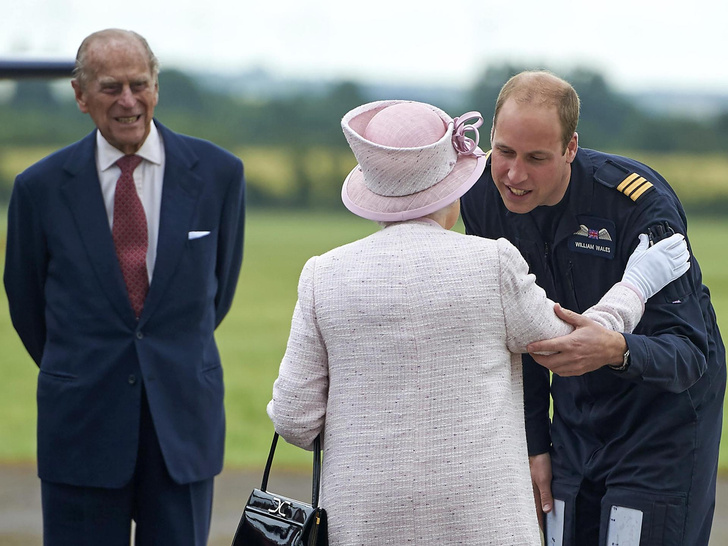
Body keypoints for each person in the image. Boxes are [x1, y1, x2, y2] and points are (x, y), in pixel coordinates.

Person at [265, 99, 689, 545]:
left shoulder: (322, 275)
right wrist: (636, 285)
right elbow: (571, 344)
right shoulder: (492, 263)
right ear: (452, 185)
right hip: (483, 523)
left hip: (363, 524)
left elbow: (295, 419)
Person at [460, 70, 726, 545]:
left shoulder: (636, 205)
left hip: (660, 423)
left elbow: (690, 356)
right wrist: (533, 445)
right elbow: (512, 335)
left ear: (570, 147)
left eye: (537, 158)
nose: (515, 175)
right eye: (504, 152)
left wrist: (618, 349)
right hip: (574, 416)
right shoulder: (482, 194)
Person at [3, 29, 245, 546]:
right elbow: (25, 304)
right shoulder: (38, 189)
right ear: (80, 95)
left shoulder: (220, 175)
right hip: (81, 431)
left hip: (182, 432)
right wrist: (83, 366)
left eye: (140, 84)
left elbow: (216, 295)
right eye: (111, 87)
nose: (129, 101)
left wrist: (161, 354)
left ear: (157, 86)